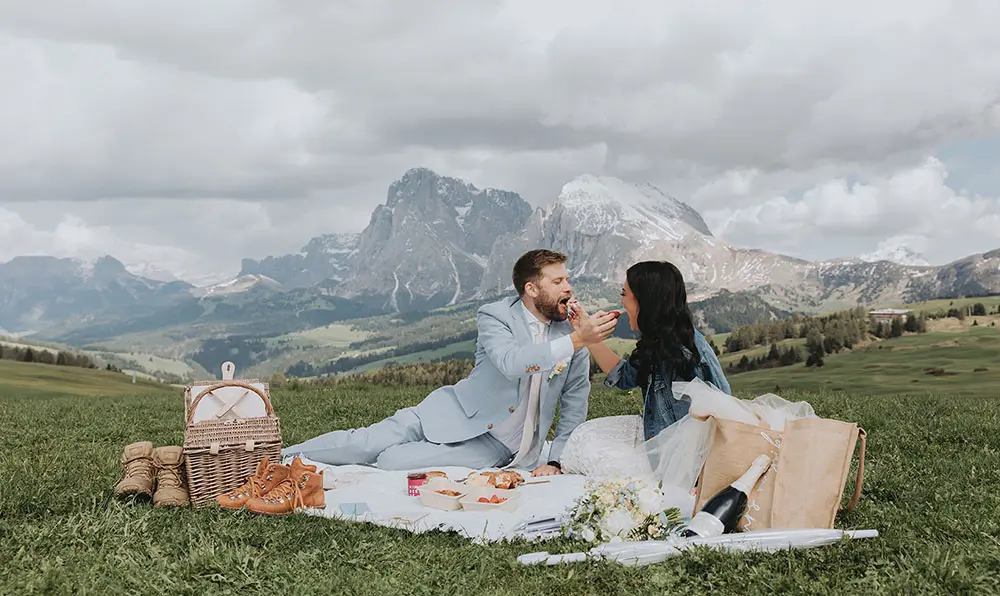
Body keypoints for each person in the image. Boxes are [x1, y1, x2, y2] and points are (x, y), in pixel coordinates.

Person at [282, 249, 620, 477]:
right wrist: (578, 340)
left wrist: (557, 460)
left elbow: (575, 401)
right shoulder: (496, 316)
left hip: (495, 446)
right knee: (365, 442)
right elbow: (510, 363)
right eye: (558, 281)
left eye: (567, 279)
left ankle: (386, 458)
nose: (568, 287)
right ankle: (276, 458)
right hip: (448, 410)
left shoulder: (573, 332)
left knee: (390, 461)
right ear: (532, 289)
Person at [569, 260, 731, 442]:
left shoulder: (683, 350)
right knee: (587, 434)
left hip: (685, 453)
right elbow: (623, 377)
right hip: (662, 439)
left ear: (645, 300)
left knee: (586, 441)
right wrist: (587, 334)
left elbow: (723, 406)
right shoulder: (658, 343)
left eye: (624, 294)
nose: (621, 300)